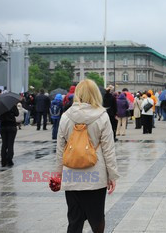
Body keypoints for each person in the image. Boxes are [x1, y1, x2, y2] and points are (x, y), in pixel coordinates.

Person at [56, 79, 119, 233]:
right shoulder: (102, 116)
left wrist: (58, 174)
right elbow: (108, 149)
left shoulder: (66, 116)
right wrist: (112, 175)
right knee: (97, 219)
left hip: (72, 174)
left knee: (74, 220)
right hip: (95, 176)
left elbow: (60, 149)